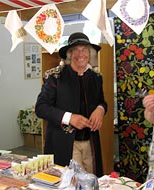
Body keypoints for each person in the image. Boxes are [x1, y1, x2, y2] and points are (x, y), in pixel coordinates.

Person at [35, 32, 107, 177]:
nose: (81, 54)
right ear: (69, 54)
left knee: (92, 181)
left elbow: (102, 101)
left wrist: (100, 109)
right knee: (70, 183)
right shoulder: (55, 77)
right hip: (65, 143)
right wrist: (69, 118)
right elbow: (40, 108)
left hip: (90, 143)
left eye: (84, 49)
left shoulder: (96, 77)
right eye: (76, 50)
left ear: (90, 53)